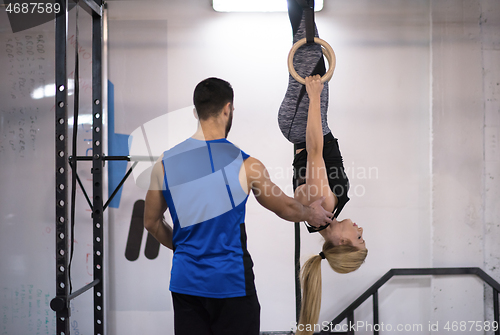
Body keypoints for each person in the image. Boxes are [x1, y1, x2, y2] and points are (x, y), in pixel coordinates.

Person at [143, 77, 335, 335]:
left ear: (196, 112)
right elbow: (286, 207)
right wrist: (311, 213)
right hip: (232, 283)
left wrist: (186, 248)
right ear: (227, 109)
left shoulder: (165, 163)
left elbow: (151, 222)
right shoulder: (247, 166)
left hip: (186, 283)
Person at [277, 0, 368, 333]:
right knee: (303, 34)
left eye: (358, 237)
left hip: (305, 125)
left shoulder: (325, 207)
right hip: (307, 125)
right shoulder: (318, 217)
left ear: (342, 242)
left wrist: (314, 97)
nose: (359, 229)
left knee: (308, 35)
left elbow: (315, 152)